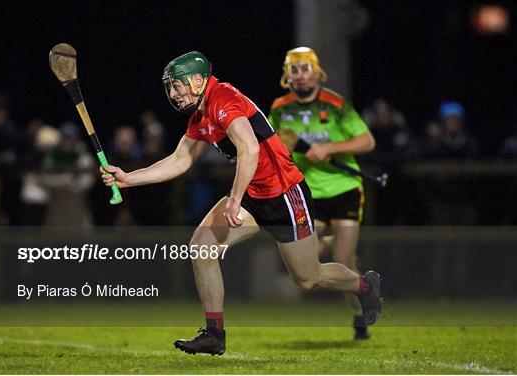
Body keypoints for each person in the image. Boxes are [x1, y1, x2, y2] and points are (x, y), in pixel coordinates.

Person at [100, 51, 382, 355]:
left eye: (177, 86)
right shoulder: (201, 114)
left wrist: (234, 200)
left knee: (308, 277)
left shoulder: (224, 100)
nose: (173, 94)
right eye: (169, 88)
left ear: (197, 80)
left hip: (285, 194)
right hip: (252, 193)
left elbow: (250, 149)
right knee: (201, 246)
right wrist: (128, 178)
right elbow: (180, 160)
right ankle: (214, 334)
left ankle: (364, 286)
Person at [268, 47, 376, 340]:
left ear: (317, 72)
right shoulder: (280, 108)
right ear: (286, 76)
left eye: (305, 69)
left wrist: (330, 148)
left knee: (344, 256)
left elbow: (366, 141)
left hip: (344, 188)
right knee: (306, 265)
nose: (300, 75)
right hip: (307, 194)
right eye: (294, 70)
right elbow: (269, 144)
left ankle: (359, 314)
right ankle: (339, 258)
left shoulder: (336, 104)